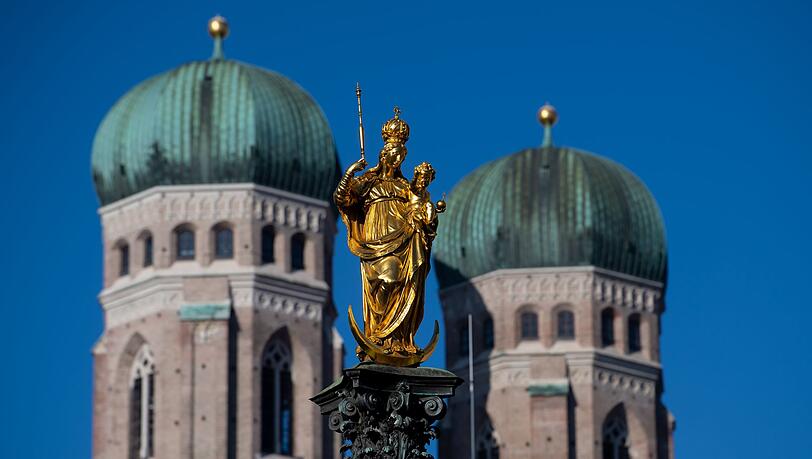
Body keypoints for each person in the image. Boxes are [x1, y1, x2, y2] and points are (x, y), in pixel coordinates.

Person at [333, 110, 435, 357]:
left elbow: (422, 213)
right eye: (393, 156)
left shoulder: (405, 187)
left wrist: (426, 220)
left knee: (402, 282)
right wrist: (350, 172)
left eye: (400, 157)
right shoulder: (369, 182)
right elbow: (342, 199)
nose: (396, 160)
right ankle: (377, 334)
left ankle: (397, 341)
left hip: (404, 239)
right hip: (375, 242)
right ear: (384, 156)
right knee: (385, 281)